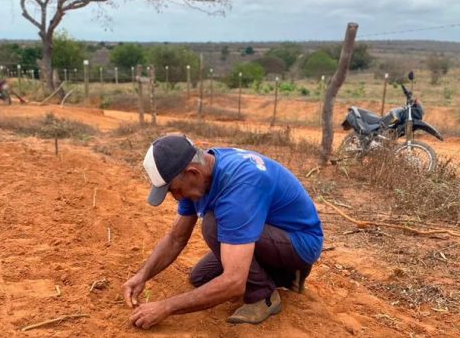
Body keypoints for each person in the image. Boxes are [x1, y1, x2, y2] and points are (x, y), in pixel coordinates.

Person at [123, 134, 324, 329]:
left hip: (300, 244)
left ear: (193, 173)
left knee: (213, 224)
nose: (175, 197)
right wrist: (142, 276)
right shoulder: (205, 173)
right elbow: (176, 238)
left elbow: (234, 283)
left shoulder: (239, 187)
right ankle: (284, 277)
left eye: (174, 190)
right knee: (200, 278)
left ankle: (264, 295)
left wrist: (166, 307)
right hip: (267, 234)